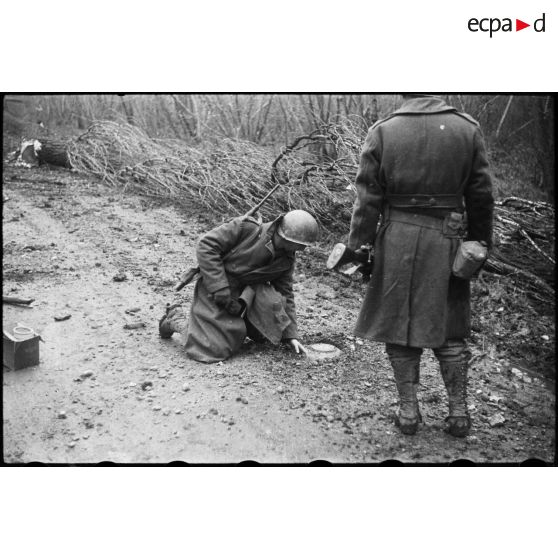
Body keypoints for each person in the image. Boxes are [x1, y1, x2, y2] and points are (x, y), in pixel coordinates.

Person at [348, 94, 494, 437]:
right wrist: (480, 245)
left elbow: (367, 198)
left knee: (399, 325)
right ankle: (458, 414)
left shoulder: (383, 131)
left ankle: (409, 414)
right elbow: (481, 196)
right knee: (449, 325)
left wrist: (359, 247)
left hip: (396, 240)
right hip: (448, 240)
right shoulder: (467, 128)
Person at [159, 209, 319, 363]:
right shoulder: (247, 228)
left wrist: (291, 336)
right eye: (301, 244)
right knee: (212, 348)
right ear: (287, 238)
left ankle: (244, 326)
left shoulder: (286, 259)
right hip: (219, 285)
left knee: (269, 332)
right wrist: (220, 288)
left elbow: (285, 293)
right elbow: (206, 246)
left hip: (248, 294)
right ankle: (175, 318)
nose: (304, 249)